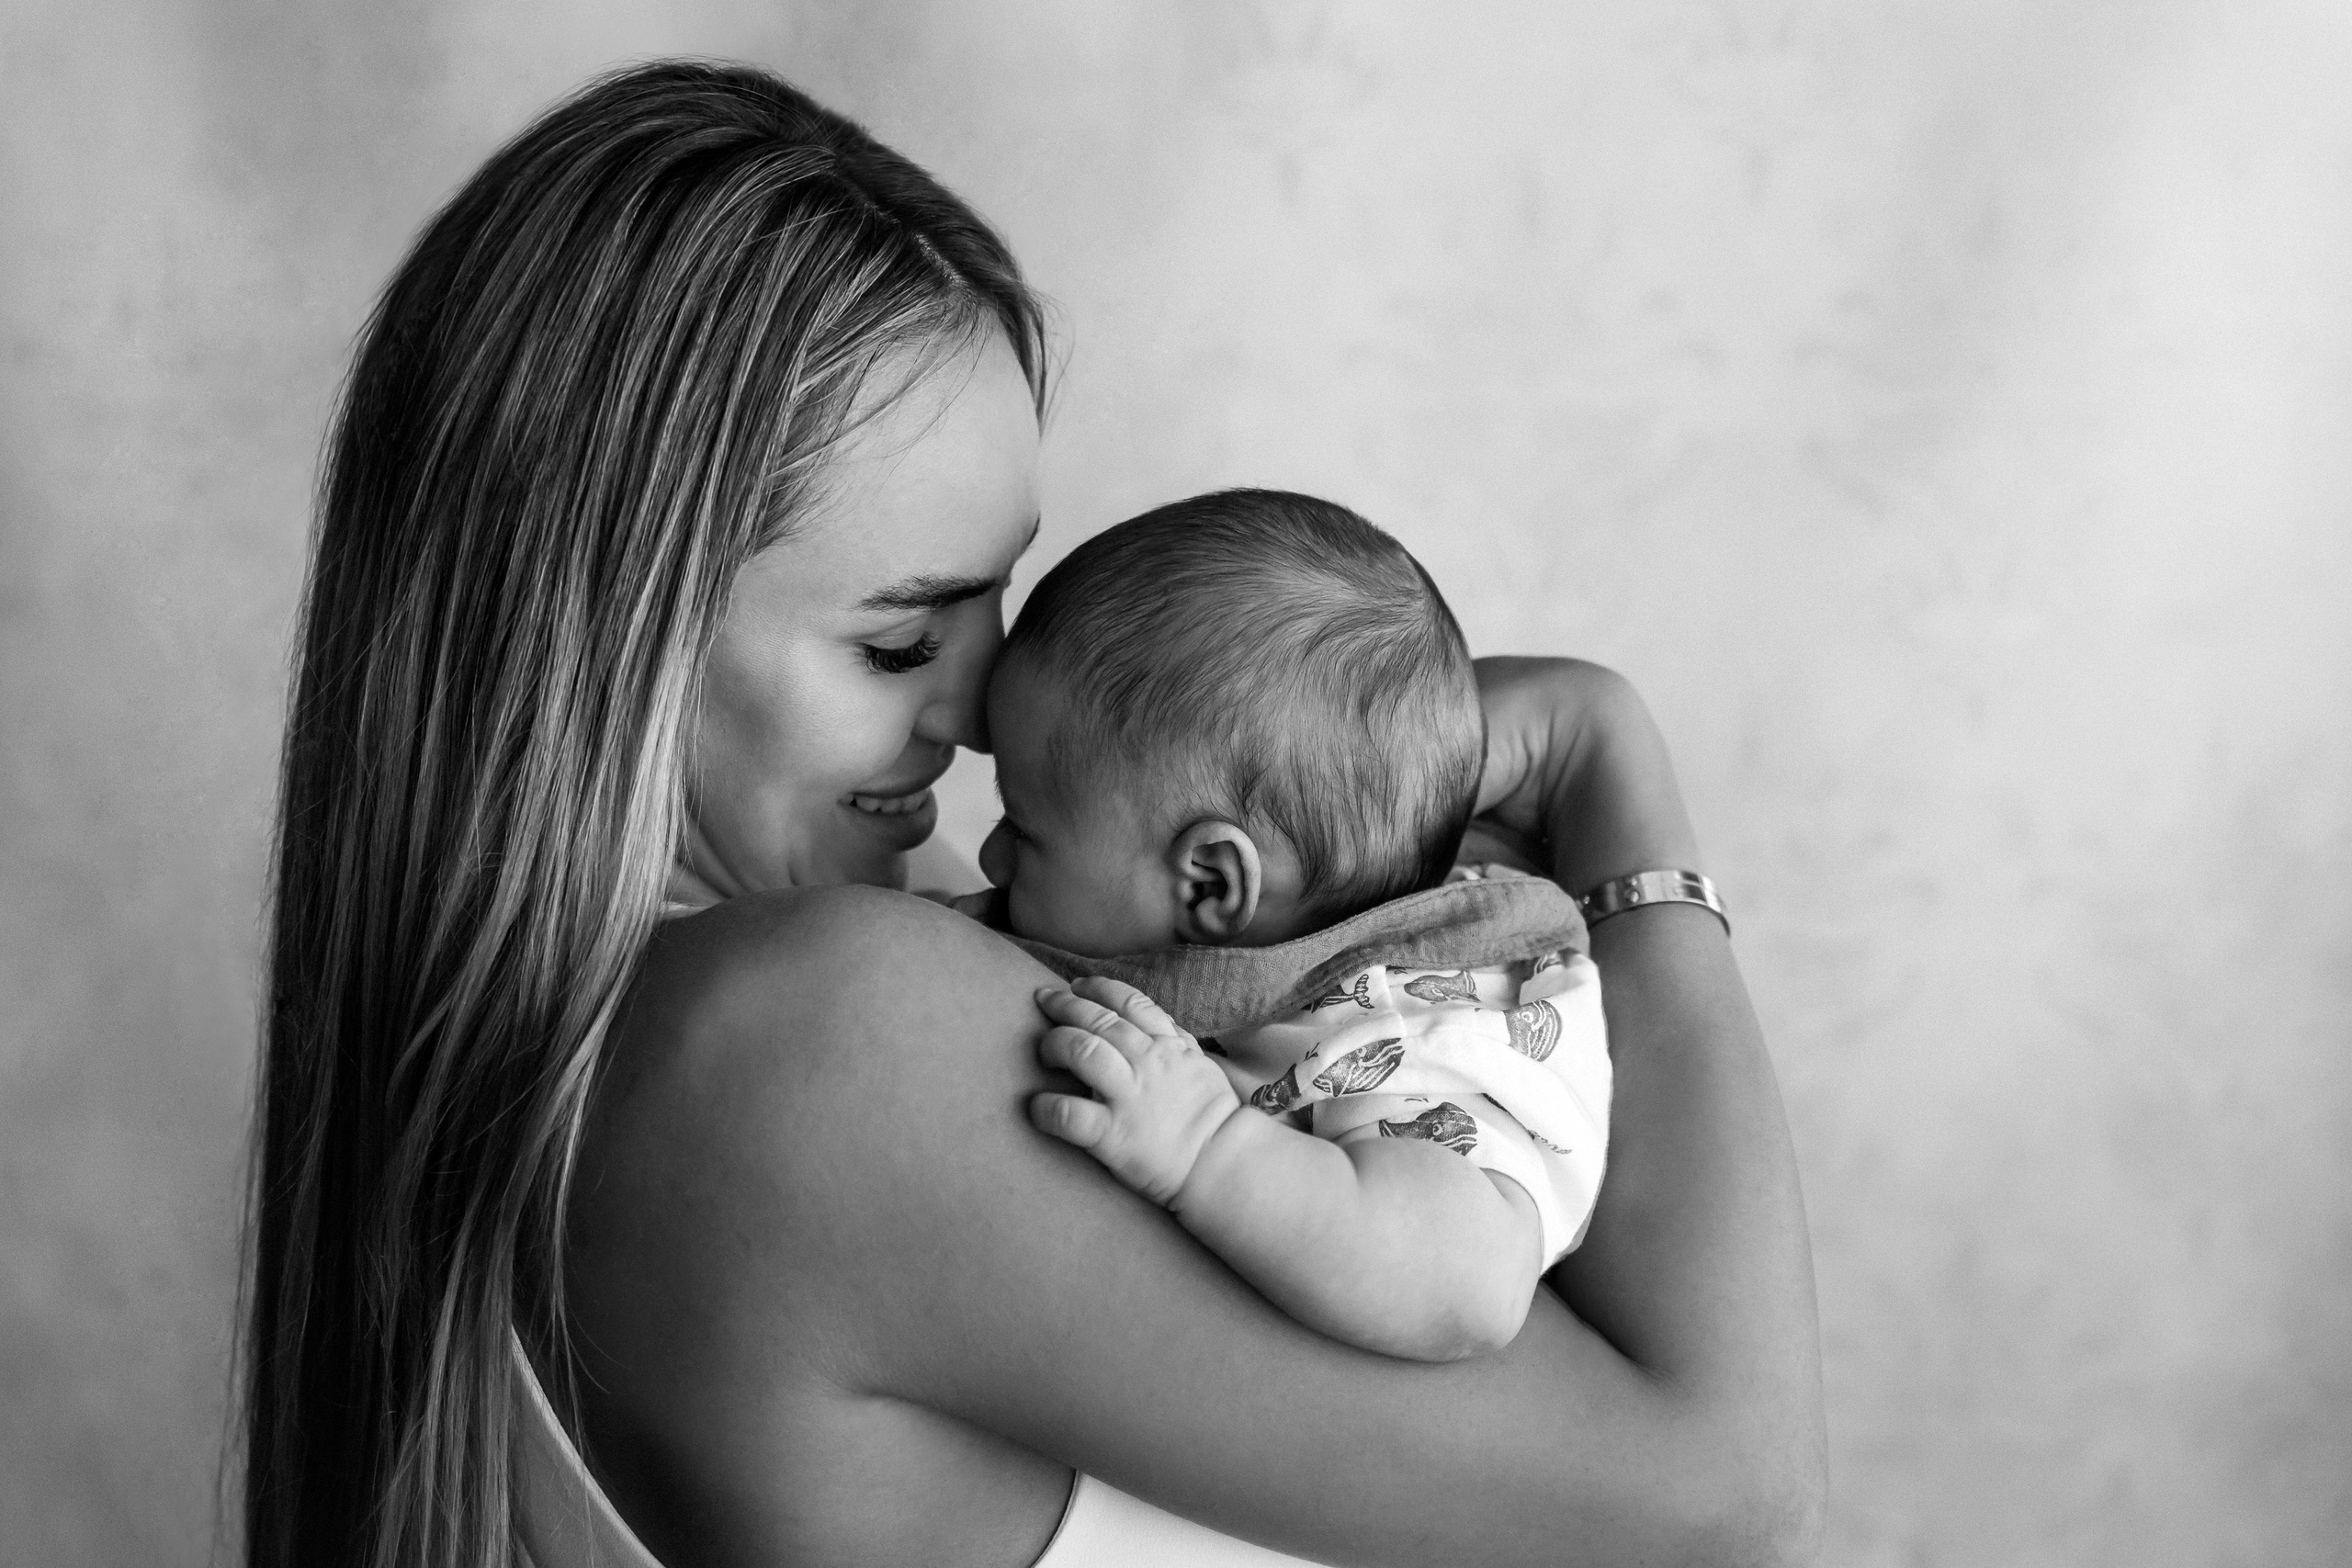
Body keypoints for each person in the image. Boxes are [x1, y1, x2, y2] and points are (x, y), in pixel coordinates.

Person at [243, 59, 1826, 1568]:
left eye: (997, 602)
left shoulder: (638, 1048)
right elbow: (1715, 1497)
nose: (989, 707)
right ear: (592, 636)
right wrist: (1616, 779)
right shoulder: (820, 1041)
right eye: (895, 637)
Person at [961, 488, 1614, 1364]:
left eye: (1026, 830)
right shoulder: (1270, 948)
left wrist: (1209, 1151)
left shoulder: (1415, 1020)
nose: (993, 859)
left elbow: (1471, 1287)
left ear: (1212, 883)